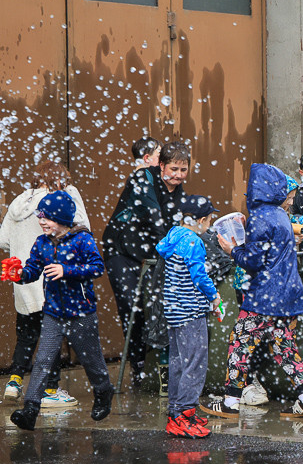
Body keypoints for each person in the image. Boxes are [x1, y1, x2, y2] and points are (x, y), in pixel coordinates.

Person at [208, 164, 303, 420]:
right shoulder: (281, 215)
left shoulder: (261, 216)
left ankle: (230, 402)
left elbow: (253, 261)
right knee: (284, 347)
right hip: (286, 295)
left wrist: (232, 250)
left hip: (263, 297)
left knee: (239, 344)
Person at [6, 191, 113, 431]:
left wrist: (67, 270)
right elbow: (33, 269)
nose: (41, 221)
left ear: (62, 219)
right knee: (43, 360)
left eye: (47, 217)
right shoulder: (42, 242)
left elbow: (97, 268)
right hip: (53, 313)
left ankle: (104, 391)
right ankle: (30, 410)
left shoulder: (82, 240)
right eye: (40, 216)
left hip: (81, 314)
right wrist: (20, 275)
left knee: (91, 360)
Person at [1, 161, 89, 407]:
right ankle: (50, 390)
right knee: (51, 336)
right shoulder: (61, 199)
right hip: (50, 277)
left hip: (24, 280)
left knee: (26, 335)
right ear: (61, 179)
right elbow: (83, 229)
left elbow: (3, 240)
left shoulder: (20, 201)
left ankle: (14, 381)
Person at [103, 140, 190, 389]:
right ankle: (138, 365)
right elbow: (155, 218)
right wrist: (172, 244)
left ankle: (156, 366)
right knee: (132, 307)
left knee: (155, 305)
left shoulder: (175, 186)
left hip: (146, 250)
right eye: (173, 169)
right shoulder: (143, 177)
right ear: (161, 164)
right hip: (121, 249)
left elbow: (175, 217)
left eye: (183, 170)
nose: (178, 175)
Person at [156, 195, 222, 439]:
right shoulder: (193, 241)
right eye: (209, 219)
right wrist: (214, 297)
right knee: (195, 363)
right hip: (191, 311)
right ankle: (184, 413)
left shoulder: (173, 234)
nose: (210, 224)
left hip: (173, 310)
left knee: (178, 362)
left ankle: (176, 411)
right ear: (201, 220)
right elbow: (199, 276)